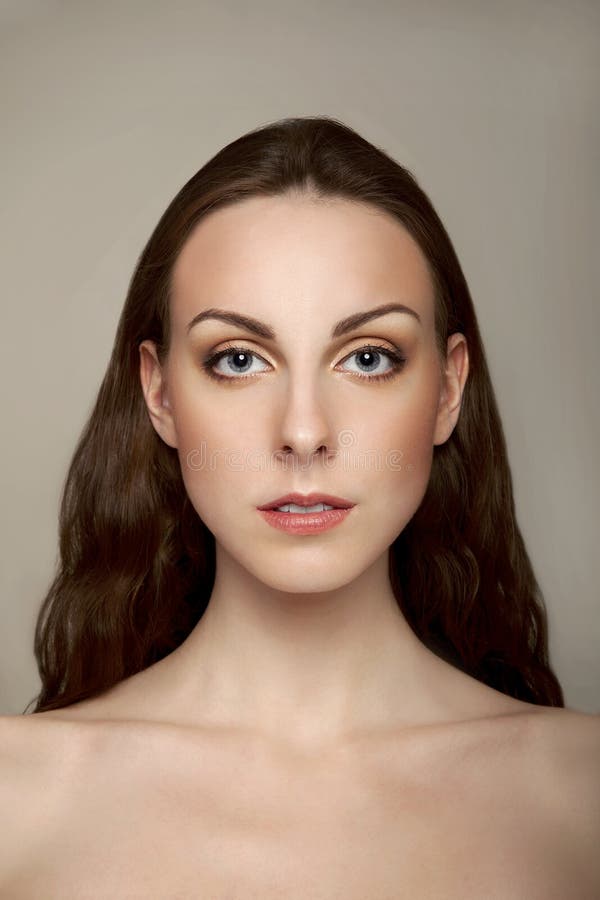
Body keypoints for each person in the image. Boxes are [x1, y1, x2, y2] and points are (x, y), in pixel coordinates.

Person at [1, 115, 598, 897]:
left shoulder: (581, 801)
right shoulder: (18, 800)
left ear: (449, 390)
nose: (305, 433)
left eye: (368, 357)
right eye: (239, 359)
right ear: (159, 393)